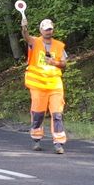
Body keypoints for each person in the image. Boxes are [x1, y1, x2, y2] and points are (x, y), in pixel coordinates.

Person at [21, 18, 68, 154]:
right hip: (38, 85)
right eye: (46, 29)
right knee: (38, 114)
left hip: (54, 85)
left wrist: (54, 62)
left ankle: (58, 143)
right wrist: (24, 27)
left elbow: (64, 63)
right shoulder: (35, 42)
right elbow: (26, 36)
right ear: (41, 30)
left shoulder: (59, 45)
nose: (48, 31)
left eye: (50, 29)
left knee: (57, 114)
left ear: (53, 30)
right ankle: (36, 140)